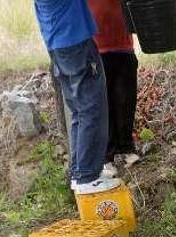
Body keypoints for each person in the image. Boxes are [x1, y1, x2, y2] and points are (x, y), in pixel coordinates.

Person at [33, 0, 121, 194]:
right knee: (91, 108)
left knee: (79, 111)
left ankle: (81, 172)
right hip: (74, 41)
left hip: (59, 43)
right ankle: (88, 177)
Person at [87, 0, 141, 167]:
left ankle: (126, 147)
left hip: (124, 47)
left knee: (126, 101)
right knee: (104, 105)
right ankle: (106, 157)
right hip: (97, 50)